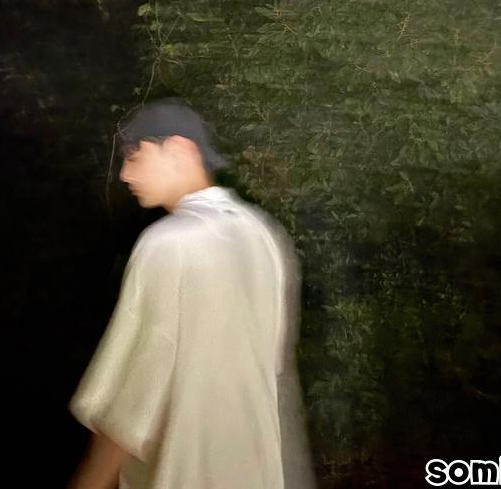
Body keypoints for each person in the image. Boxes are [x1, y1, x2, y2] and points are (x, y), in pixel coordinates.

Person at [68, 98, 316, 489]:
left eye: (135, 155)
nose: (125, 174)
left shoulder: (169, 243)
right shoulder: (263, 235)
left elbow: (128, 407)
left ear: (179, 150)